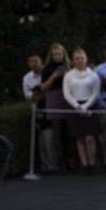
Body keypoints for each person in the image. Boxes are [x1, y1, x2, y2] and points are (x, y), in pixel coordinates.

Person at [62, 47, 102, 174]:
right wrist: (76, 106)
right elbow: (67, 93)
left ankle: (92, 163)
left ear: (86, 59)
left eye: (82, 58)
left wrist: (85, 107)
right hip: (75, 106)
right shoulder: (69, 75)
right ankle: (84, 164)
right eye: (77, 59)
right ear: (73, 60)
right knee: (79, 138)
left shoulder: (93, 75)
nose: (80, 61)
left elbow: (96, 92)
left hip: (89, 105)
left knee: (90, 137)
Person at [23, 54, 58, 173]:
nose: (34, 64)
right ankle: (45, 165)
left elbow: (47, 91)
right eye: (31, 62)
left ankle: (53, 164)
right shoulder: (27, 78)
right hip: (38, 109)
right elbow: (29, 95)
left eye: (36, 61)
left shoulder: (48, 72)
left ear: (41, 61)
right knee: (42, 140)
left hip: (51, 107)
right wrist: (38, 94)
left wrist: (40, 92)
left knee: (50, 138)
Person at [40, 43, 72, 171]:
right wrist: (53, 77)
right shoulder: (47, 69)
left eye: (59, 54)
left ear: (64, 54)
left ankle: (72, 160)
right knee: (57, 134)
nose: (57, 56)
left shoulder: (70, 67)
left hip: (68, 98)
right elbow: (43, 88)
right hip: (54, 98)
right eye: (55, 54)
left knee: (69, 132)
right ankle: (61, 163)